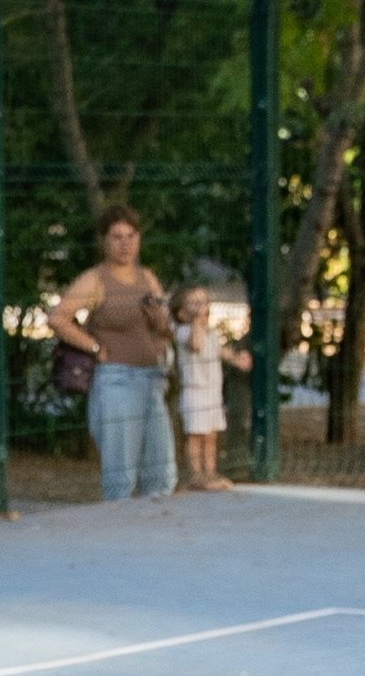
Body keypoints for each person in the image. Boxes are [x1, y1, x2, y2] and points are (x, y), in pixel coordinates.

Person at [52, 209, 177, 502]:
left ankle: (155, 538)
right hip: (117, 381)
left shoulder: (147, 277)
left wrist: (160, 318)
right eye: (117, 237)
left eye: (131, 236)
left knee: (161, 473)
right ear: (104, 241)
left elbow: (166, 329)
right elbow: (58, 318)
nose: (125, 244)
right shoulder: (95, 279)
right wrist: (94, 348)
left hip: (152, 379)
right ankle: (118, 537)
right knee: (121, 476)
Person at [173, 284, 252, 490]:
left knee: (211, 435)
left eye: (203, 301)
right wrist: (195, 321)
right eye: (194, 303)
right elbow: (196, 345)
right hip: (194, 391)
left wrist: (236, 359)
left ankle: (210, 472)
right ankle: (196, 474)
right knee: (195, 435)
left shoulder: (210, 332)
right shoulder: (183, 331)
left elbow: (219, 350)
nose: (201, 306)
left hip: (212, 392)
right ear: (181, 312)